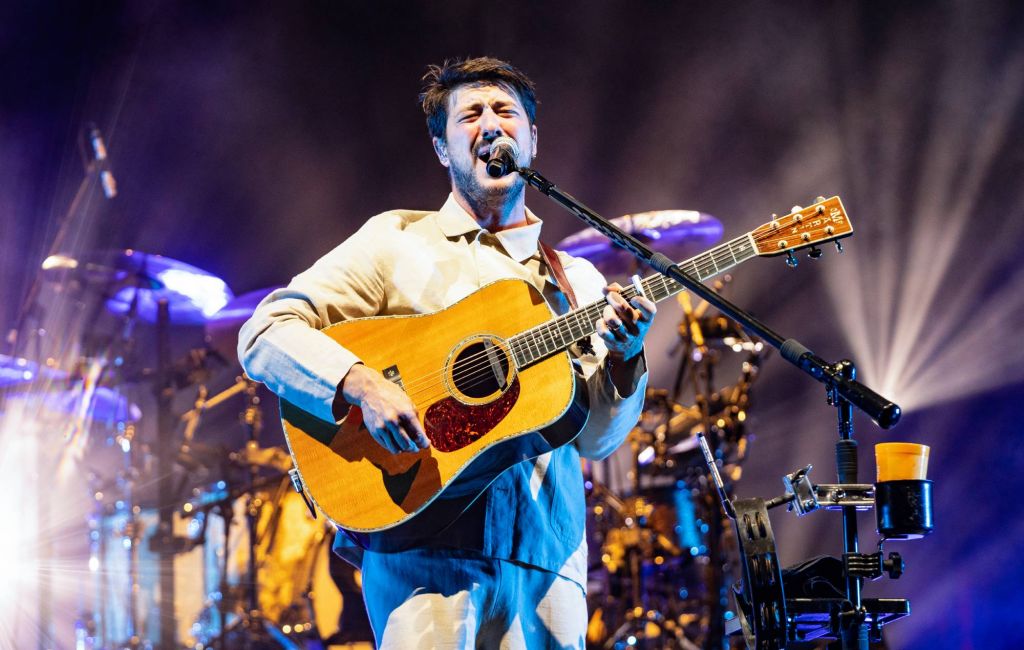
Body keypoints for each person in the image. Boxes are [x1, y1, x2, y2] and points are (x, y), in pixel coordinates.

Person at [238, 56, 656, 649]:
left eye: (506, 112)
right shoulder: (395, 241)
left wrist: (624, 360)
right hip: (423, 557)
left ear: (532, 140)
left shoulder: (580, 283)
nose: (491, 124)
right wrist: (360, 381)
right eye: (471, 115)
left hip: (548, 562)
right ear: (442, 148)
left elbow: (596, 441)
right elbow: (264, 333)